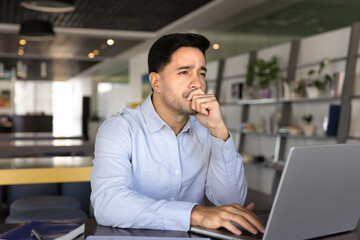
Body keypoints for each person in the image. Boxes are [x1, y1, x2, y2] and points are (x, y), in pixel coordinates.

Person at [90, 33, 265, 236]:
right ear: (156, 82)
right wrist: (195, 214)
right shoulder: (118, 129)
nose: (197, 84)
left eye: (201, 73)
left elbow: (231, 202)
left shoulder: (206, 128)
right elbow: (109, 203)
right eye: (184, 72)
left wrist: (219, 131)